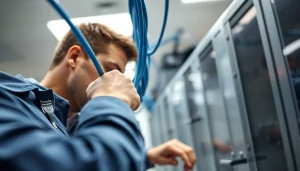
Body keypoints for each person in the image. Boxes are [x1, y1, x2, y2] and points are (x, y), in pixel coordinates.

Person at [0, 23, 196, 171]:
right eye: (109, 69)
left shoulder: (61, 119)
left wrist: (144, 158)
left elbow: (67, 155)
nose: (113, 80)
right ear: (75, 57)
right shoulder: (7, 99)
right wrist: (110, 99)